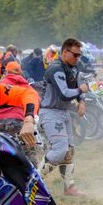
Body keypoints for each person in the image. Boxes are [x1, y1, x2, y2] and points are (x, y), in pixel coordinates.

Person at [38, 38, 89, 196]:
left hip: (63, 113)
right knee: (60, 150)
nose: (77, 58)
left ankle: (69, 187)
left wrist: (82, 101)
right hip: (50, 112)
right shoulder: (56, 68)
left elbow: (76, 87)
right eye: (75, 55)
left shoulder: (72, 68)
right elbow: (65, 93)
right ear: (65, 52)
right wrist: (81, 91)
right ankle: (34, 182)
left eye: (79, 55)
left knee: (69, 151)